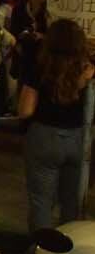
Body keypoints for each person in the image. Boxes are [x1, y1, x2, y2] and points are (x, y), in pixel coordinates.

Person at [17, 18, 94, 232]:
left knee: (42, 201)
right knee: (72, 202)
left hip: (44, 136)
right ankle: (69, 250)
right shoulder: (87, 70)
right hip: (79, 138)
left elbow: (25, 110)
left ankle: (40, 251)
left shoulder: (40, 67)